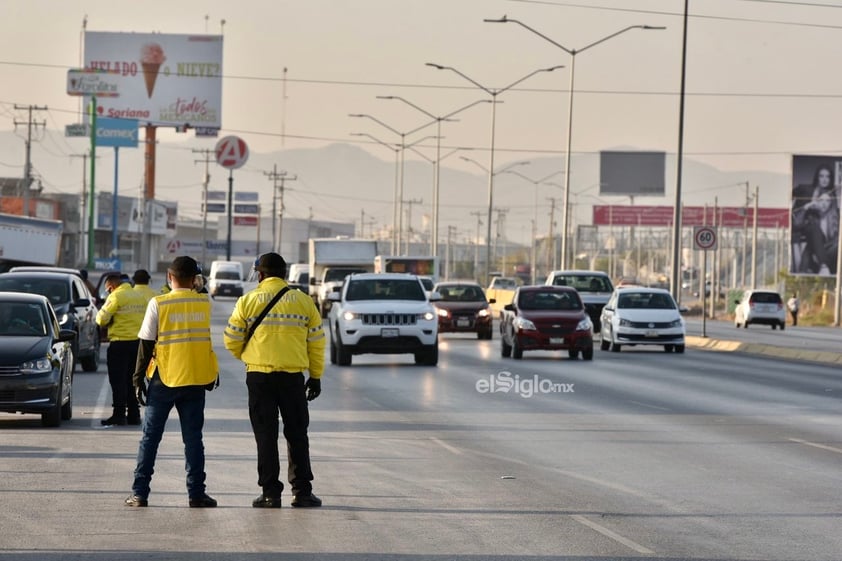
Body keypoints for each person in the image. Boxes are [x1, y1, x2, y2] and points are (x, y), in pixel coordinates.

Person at [223, 252, 325, 509]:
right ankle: (302, 492)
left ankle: (270, 493)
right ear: (285, 274)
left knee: (265, 434)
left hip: (258, 377)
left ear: (260, 274)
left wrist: (250, 356)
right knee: (297, 433)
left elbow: (231, 340)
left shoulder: (247, 301)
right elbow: (316, 344)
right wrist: (315, 377)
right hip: (292, 378)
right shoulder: (303, 302)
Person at [125, 255, 219, 508]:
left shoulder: (159, 303)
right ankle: (196, 494)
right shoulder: (204, 303)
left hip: (164, 380)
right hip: (196, 379)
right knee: (193, 439)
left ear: (169, 277)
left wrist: (137, 378)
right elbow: (203, 295)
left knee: (150, 438)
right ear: (194, 278)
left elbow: (145, 345)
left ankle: (140, 493)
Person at [95, 273, 147, 426]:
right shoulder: (139, 296)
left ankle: (119, 414)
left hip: (120, 344)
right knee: (133, 380)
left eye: (107, 289)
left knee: (118, 382)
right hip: (138, 345)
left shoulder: (116, 297)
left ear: (111, 286)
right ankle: (134, 415)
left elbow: (100, 319)